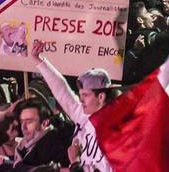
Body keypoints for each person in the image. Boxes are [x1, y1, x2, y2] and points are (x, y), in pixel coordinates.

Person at [32, 43, 113, 172]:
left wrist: (74, 161)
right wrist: (40, 61)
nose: (80, 100)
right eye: (80, 95)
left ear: (101, 97)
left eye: (85, 95)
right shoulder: (84, 114)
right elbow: (62, 91)